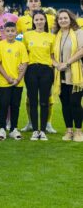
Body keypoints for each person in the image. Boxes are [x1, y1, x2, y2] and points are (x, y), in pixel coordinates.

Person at [23, 11, 57, 141]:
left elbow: (53, 56)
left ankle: (42, 131)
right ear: (33, 21)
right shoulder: (27, 35)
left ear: (45, 21)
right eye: (36, 19)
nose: (39, 22)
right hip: (31, 70)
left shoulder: (51, 37)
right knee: (32, 101)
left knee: (44, 101)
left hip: (46, 71)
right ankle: (34, 130)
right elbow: (24, 54)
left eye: (41, 19)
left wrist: (58, 65)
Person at [0, 22, 28, 141]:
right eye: (7, 31)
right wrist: (8, 78)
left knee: (15, 106)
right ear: (4, 32)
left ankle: (14, 128)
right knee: (3, 104)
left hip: (18, 82)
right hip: (4, 82)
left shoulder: (21, 45)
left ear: (16, 32)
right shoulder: (0, 45)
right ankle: (2, 128)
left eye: (12, 31)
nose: (10, 33)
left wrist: (18, 79)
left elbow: (25, 63)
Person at [54, 9, 83, 142]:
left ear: (70, 19)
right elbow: (50, 54)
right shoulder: (55, 35)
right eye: (60, 18)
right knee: (65, 103)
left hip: (76, 73)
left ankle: (78, 131)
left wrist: (67, 63)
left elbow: (81, 50)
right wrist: (57, 64)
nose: (63, 20)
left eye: (65, 18)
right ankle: (68, 130)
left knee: (75, 102)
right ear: (57, 21)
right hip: (60, 74)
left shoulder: (78, 32)